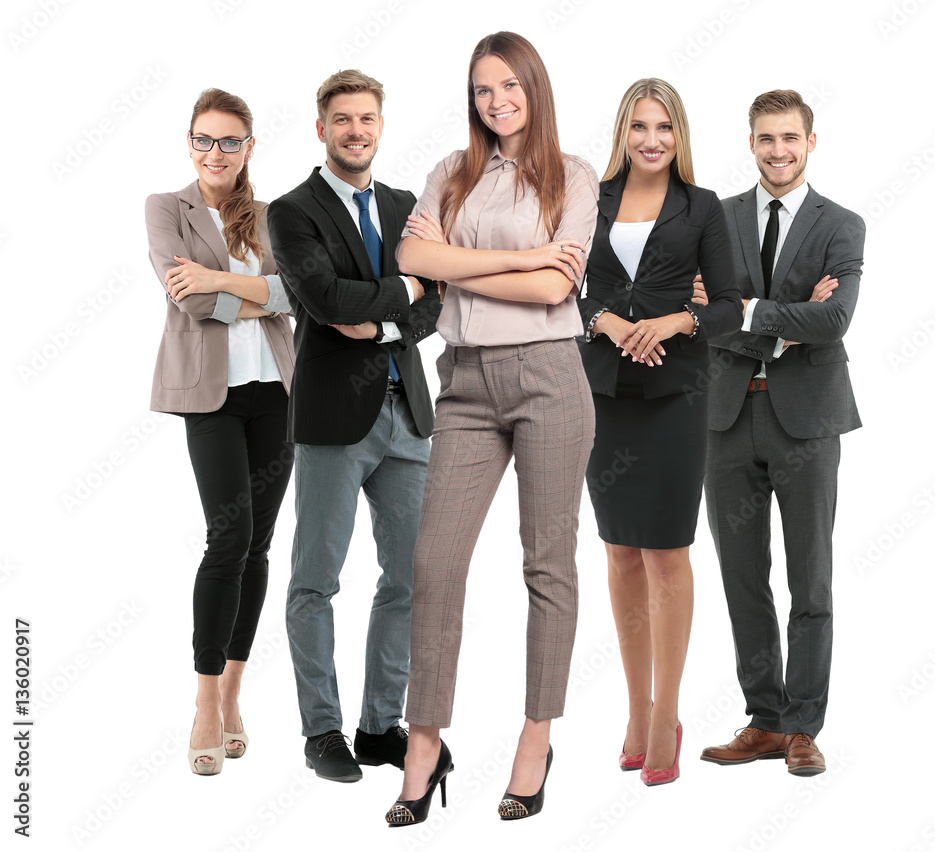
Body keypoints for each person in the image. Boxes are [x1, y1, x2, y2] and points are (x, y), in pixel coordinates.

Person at [383, 31, 599, 826]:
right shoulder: (451, 171)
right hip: (466, 381)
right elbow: (411, 253)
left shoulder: (572, 175)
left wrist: (458, 262)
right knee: (435, 565)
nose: (495, 101)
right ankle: (426, 742)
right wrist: (516, 261)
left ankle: (537, 736)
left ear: (534, 88)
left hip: (550, 378)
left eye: (508, 86)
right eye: (482, 89)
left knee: (547, 565)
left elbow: (554, 288)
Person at [266, 70, 441, 784]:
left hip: (409, 417)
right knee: (317, 579)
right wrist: (401, 294)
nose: (356, 131)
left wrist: (378, 317)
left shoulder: (406, 206)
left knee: (408, 580)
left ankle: (378, 727)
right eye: (343, 120)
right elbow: (322, 296)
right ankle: (322, 731)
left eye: (367, 118)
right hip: (335, 421)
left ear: (380, 123)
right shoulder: (292, 210)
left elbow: (439, 306)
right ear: (321, 129)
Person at [577, 78, 742, 787]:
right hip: (605, 393)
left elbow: (731, 305)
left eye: (664, 128)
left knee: (666, 554)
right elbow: (565, 283)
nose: (651, 140)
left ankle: (669, 711)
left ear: (679, 136)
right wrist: (610, 321)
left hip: (676, 393)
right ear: (623, 131)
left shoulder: (702, 208)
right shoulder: (588, 199)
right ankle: (638, 710)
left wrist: (674, 322)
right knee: (619, 553)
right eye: (640, 126)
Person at [696, 89, 865, 776]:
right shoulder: (716, 217)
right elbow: (700, 314)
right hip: (726, 419)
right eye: (766, 138)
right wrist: (784, 325)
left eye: (790, 138)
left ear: (811, 142)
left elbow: (835, 322)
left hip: (808, 423)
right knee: (742, 578)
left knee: (811, 580)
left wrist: (747, 311)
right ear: (751, 142)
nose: (778, 151)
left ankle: (803, 727)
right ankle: (764, 720)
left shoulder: (841, 224)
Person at [145, 88, 295, 775]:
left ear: (249, 147)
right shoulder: (165, 209)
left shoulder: (271, 216)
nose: (216, 152)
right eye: (204, 139)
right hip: (210, 397)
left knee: (259, 544)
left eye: (230, 141)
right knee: (227, 536)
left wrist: (241, 286)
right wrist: (250, 292)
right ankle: (205, 701)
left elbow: (300, 297)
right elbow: (192, 298)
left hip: (279, 393)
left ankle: (235, 691)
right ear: (190, 141)